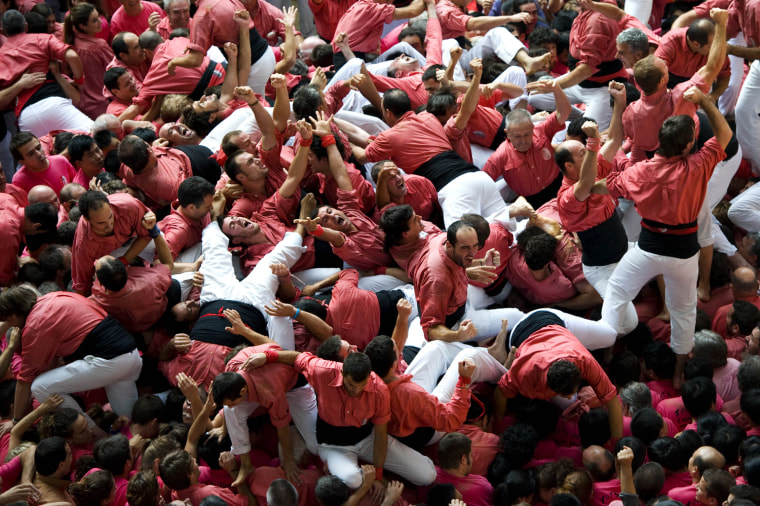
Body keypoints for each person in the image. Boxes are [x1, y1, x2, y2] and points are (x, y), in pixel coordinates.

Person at [599, 85, 733, 389]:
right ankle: (677, 372)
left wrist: (610, 151)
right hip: (684, 254)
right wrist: (706, 102)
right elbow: (724, 134)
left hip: (647, 249)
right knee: (684, 311)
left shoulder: (639, 171)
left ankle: (607, 349)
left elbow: (604, 186)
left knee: (617, 293)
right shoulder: (698, 165)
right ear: (687, 147)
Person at [0, 285, 142, 424]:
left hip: (109, 361)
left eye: (9, 320)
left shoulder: (35, 325)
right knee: (130, 423)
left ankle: (90, 431)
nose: (12, 326)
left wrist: (16, 420)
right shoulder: (54, 297)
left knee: (39, 386)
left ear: (14, 313)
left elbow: (25, 380)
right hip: (130, 354)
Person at [495, 310, 624, 439]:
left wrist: (616, 444)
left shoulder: (584, 360)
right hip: (520, 334)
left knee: (611, 336)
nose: (569, 397)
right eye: (565, 395)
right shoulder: (525, 373)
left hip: (553, 321)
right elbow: (500, 392)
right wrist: (498, 427)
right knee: (569, 404)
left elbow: (613, 402)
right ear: (550, 388)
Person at [0, 9, 93, 138]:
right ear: (26, 26)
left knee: (47, 157)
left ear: (3, 31)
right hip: (53, 103)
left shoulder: (1, 56)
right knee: (95, 136)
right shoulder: (41, 38)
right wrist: (79, 81)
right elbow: (72, 56)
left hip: (26, 118)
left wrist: (19, 85)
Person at [483, 79, 572, 209]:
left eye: (527, 134)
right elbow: (483, 181)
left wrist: (556, 89)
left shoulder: (542, 130)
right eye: (517, 136)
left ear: (532, 128)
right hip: (534, 202)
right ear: (507, 134)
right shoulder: (500, 156)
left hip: (560, 184)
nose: (523, 141)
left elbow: (564, 112)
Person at [70, 190, 155, 295]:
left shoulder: (129, 205)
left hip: (137, 239)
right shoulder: (83, 242)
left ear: (110, 206)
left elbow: (147, 234)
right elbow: (83, 282)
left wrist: (124, 260)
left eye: (110, 216)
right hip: (108, 256)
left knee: (163, 247)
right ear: (87, 219)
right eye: (101, 223)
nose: (109, 224)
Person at [63, 3, 113, 119]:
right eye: (94, 20)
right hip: (103, 105)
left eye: (99, 17)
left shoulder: (68, 44)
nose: (100, 22)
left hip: (80, 107)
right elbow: (116, 70)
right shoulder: (99, 46)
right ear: (82, 26)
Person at [436, 432, 493, 506]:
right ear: (463, 460)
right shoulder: (482, 486)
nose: (472, 459)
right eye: (471, 455)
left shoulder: (428, 478)